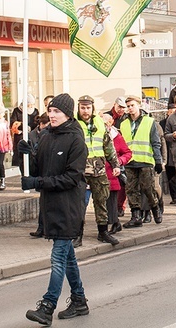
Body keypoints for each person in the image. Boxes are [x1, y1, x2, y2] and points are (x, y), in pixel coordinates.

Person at [20, 93, 89, 324]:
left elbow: (71, 178)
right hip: (50, 206)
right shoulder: (47, 136)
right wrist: (27, 155)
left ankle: (47, 306)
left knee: (58, 257)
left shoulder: (76, 140)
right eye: (50, 111)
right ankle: (79, 301)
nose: (51, 115)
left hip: (69, 206)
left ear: (68, 114)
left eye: (56, 111)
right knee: (68, 258)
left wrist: (38, 183)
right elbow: (39, 170)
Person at [76, 95, 121, 246]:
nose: (85, 111)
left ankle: (103, 232)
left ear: (92, 108)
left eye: (88, 107)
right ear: (79, 108)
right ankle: (77, 234)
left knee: (101, 200)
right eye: (83, 107)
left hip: (98, 168)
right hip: (80, 169)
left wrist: (115, 164)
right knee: (79, 203)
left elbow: (108, 145)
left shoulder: (99, 123)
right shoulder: (74, 125)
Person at [119, 95, 163, 227]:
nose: (130, 108)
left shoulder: (149, 122)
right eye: (128, 106)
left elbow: (156, 143)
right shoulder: (124, 123)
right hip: (130, 161)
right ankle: (136, 215)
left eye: (132, 105)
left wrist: (158, 161)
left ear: (139, 105)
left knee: (147, 188)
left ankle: (155, 208)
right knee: (131, 189)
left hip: (145, 161)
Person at [100, 113, 132, 235]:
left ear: (110, 123)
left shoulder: (116, 137)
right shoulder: (96, 135)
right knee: (101, 202)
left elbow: (127, 153)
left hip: (111, 174)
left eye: (104, 123)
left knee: (111, 201)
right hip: (97, 174)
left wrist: (118, 162)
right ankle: (111, 223)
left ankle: (114, 223)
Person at [11, 94, 40, 175]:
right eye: (28, 105)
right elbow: (13, 123)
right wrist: (22, 126)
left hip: (31, 135)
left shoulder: (35, 111)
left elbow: (36, 122)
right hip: (20, 136)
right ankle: (23, 172)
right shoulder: (17, 111)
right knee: (21, 156)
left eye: (32, 105)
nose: (30, 106)